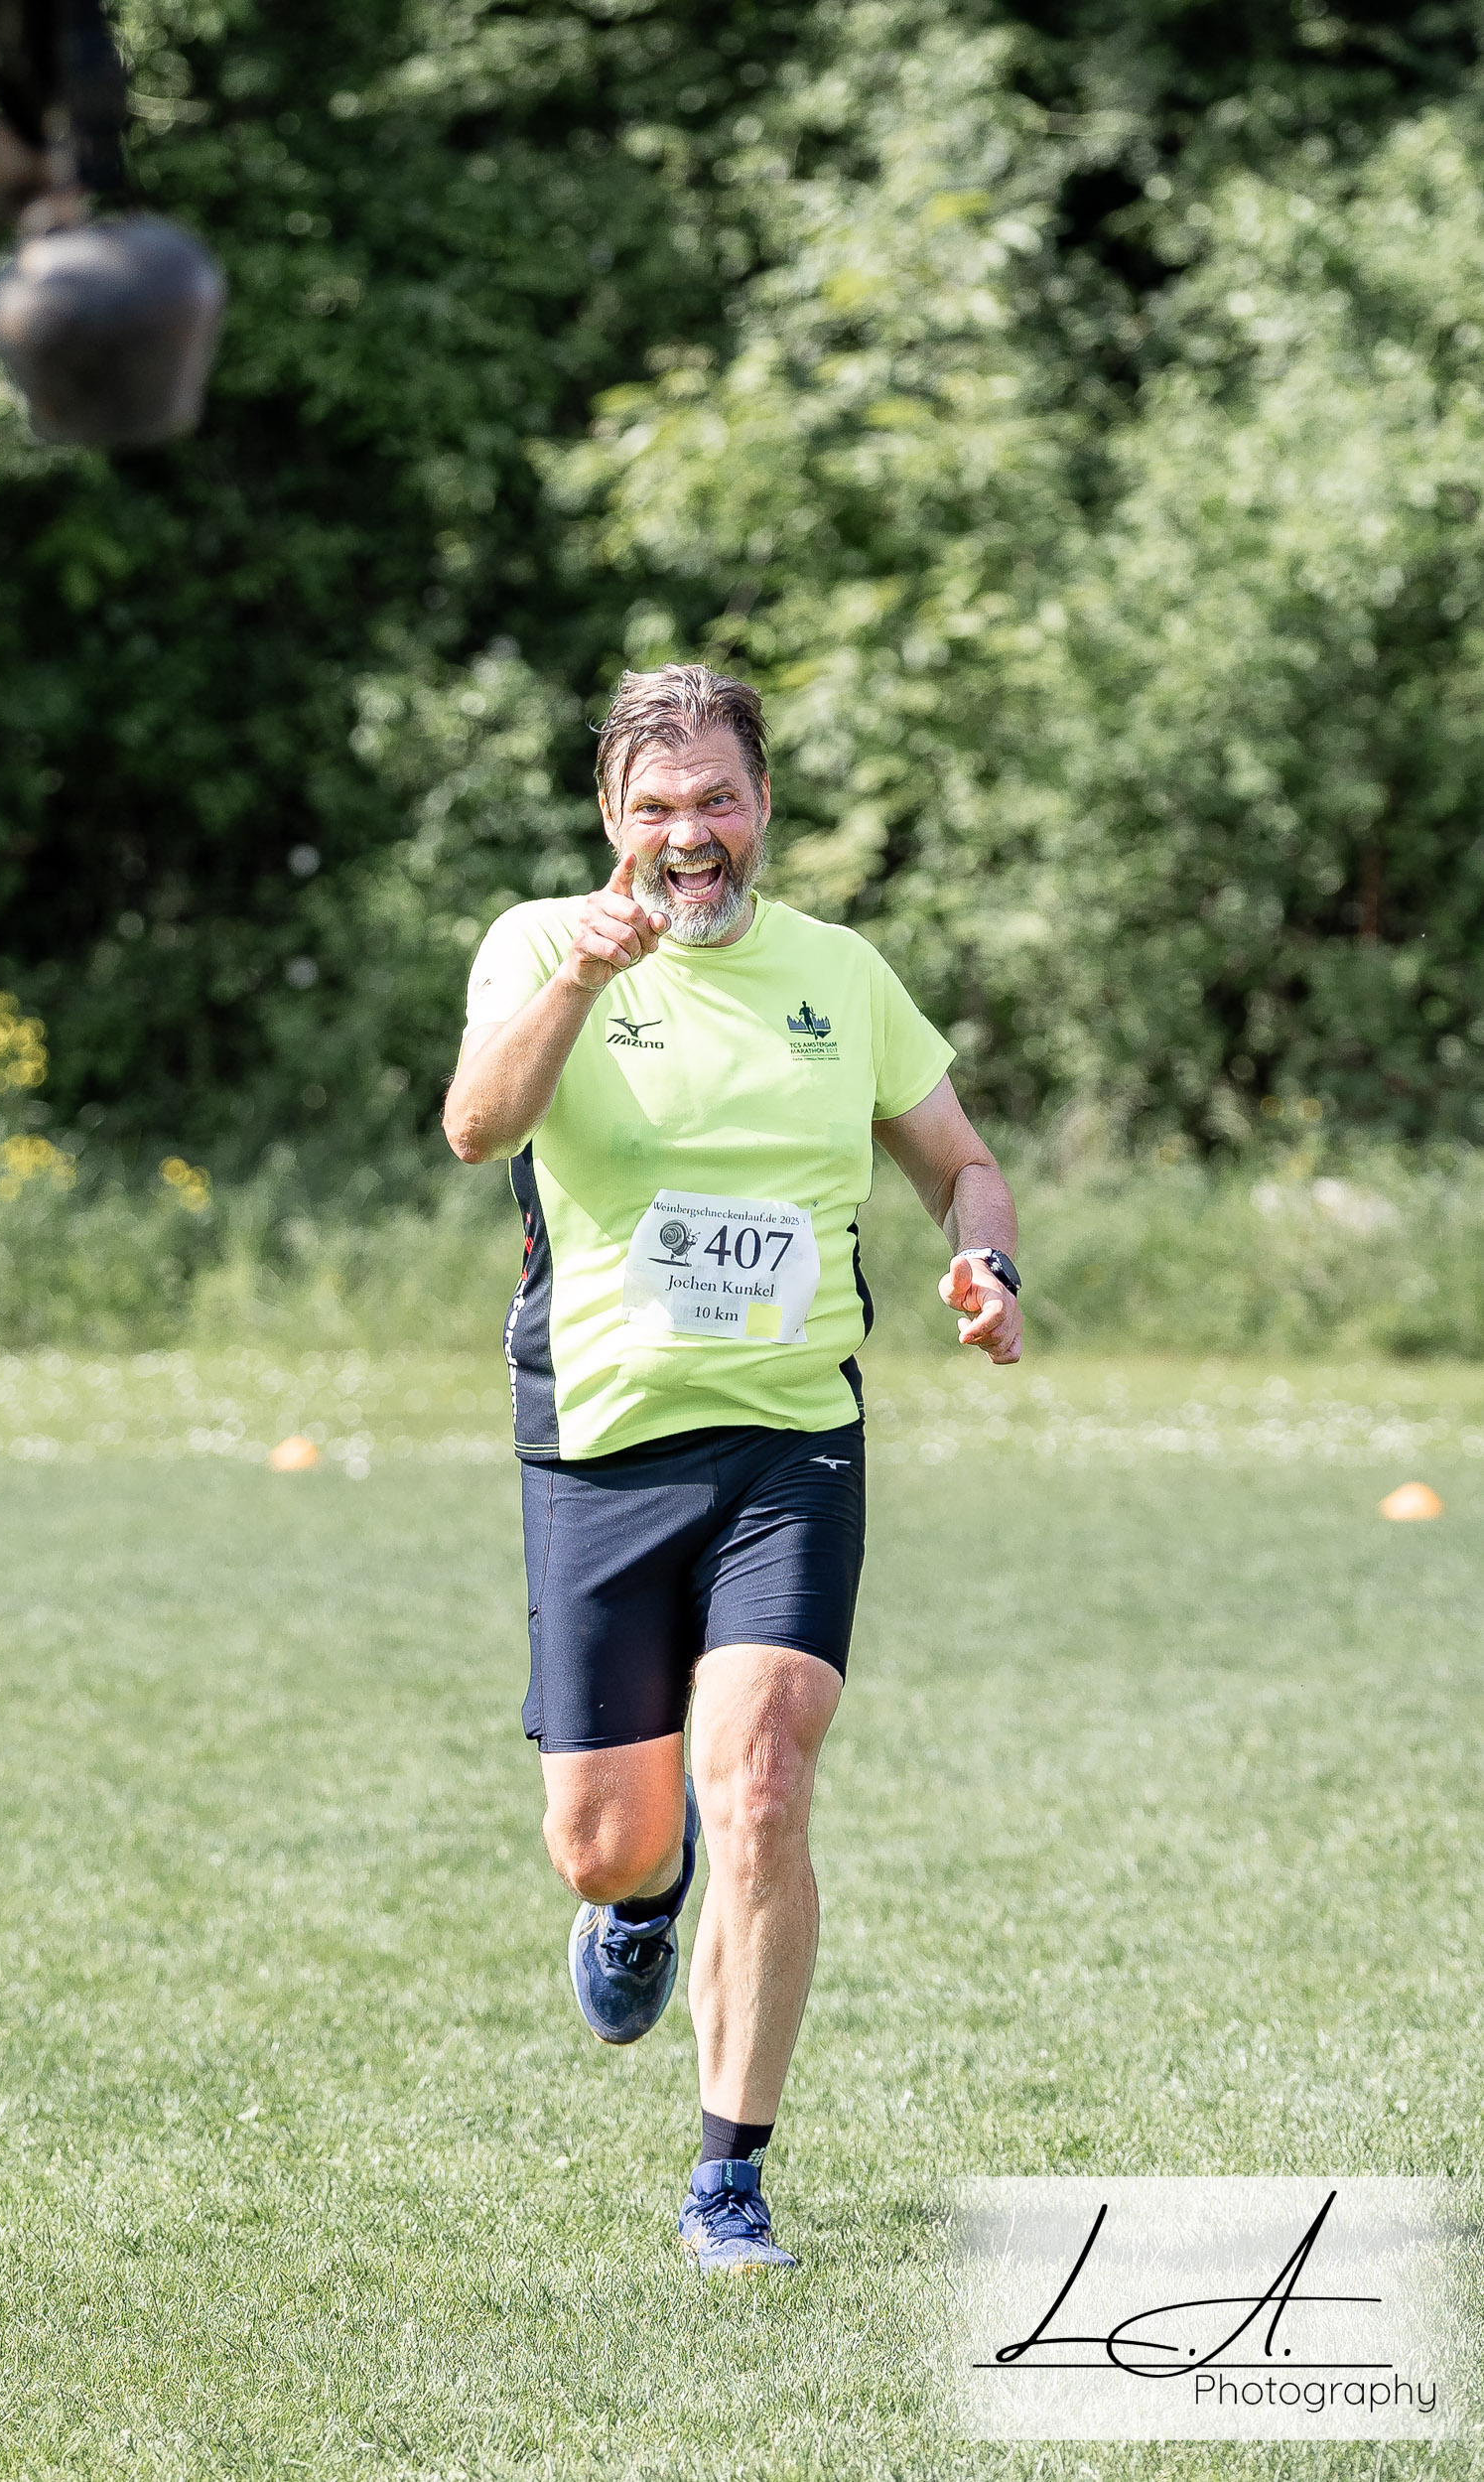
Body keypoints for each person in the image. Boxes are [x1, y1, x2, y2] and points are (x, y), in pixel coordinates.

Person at [443, 663, 1021, 2275]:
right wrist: (582, 976)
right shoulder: (538, 943)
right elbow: (477, 1127)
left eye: (717, 799)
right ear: (610, 818)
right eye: (656, 806)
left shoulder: (841, 972)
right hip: (604, 1443)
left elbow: (964, 1165)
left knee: (761, 1777)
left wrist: (987, 1264)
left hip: (792, 1437)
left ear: (762, 805)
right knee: (607, 1840)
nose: (689, 833)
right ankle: (638, 1900)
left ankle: (728, 2180)